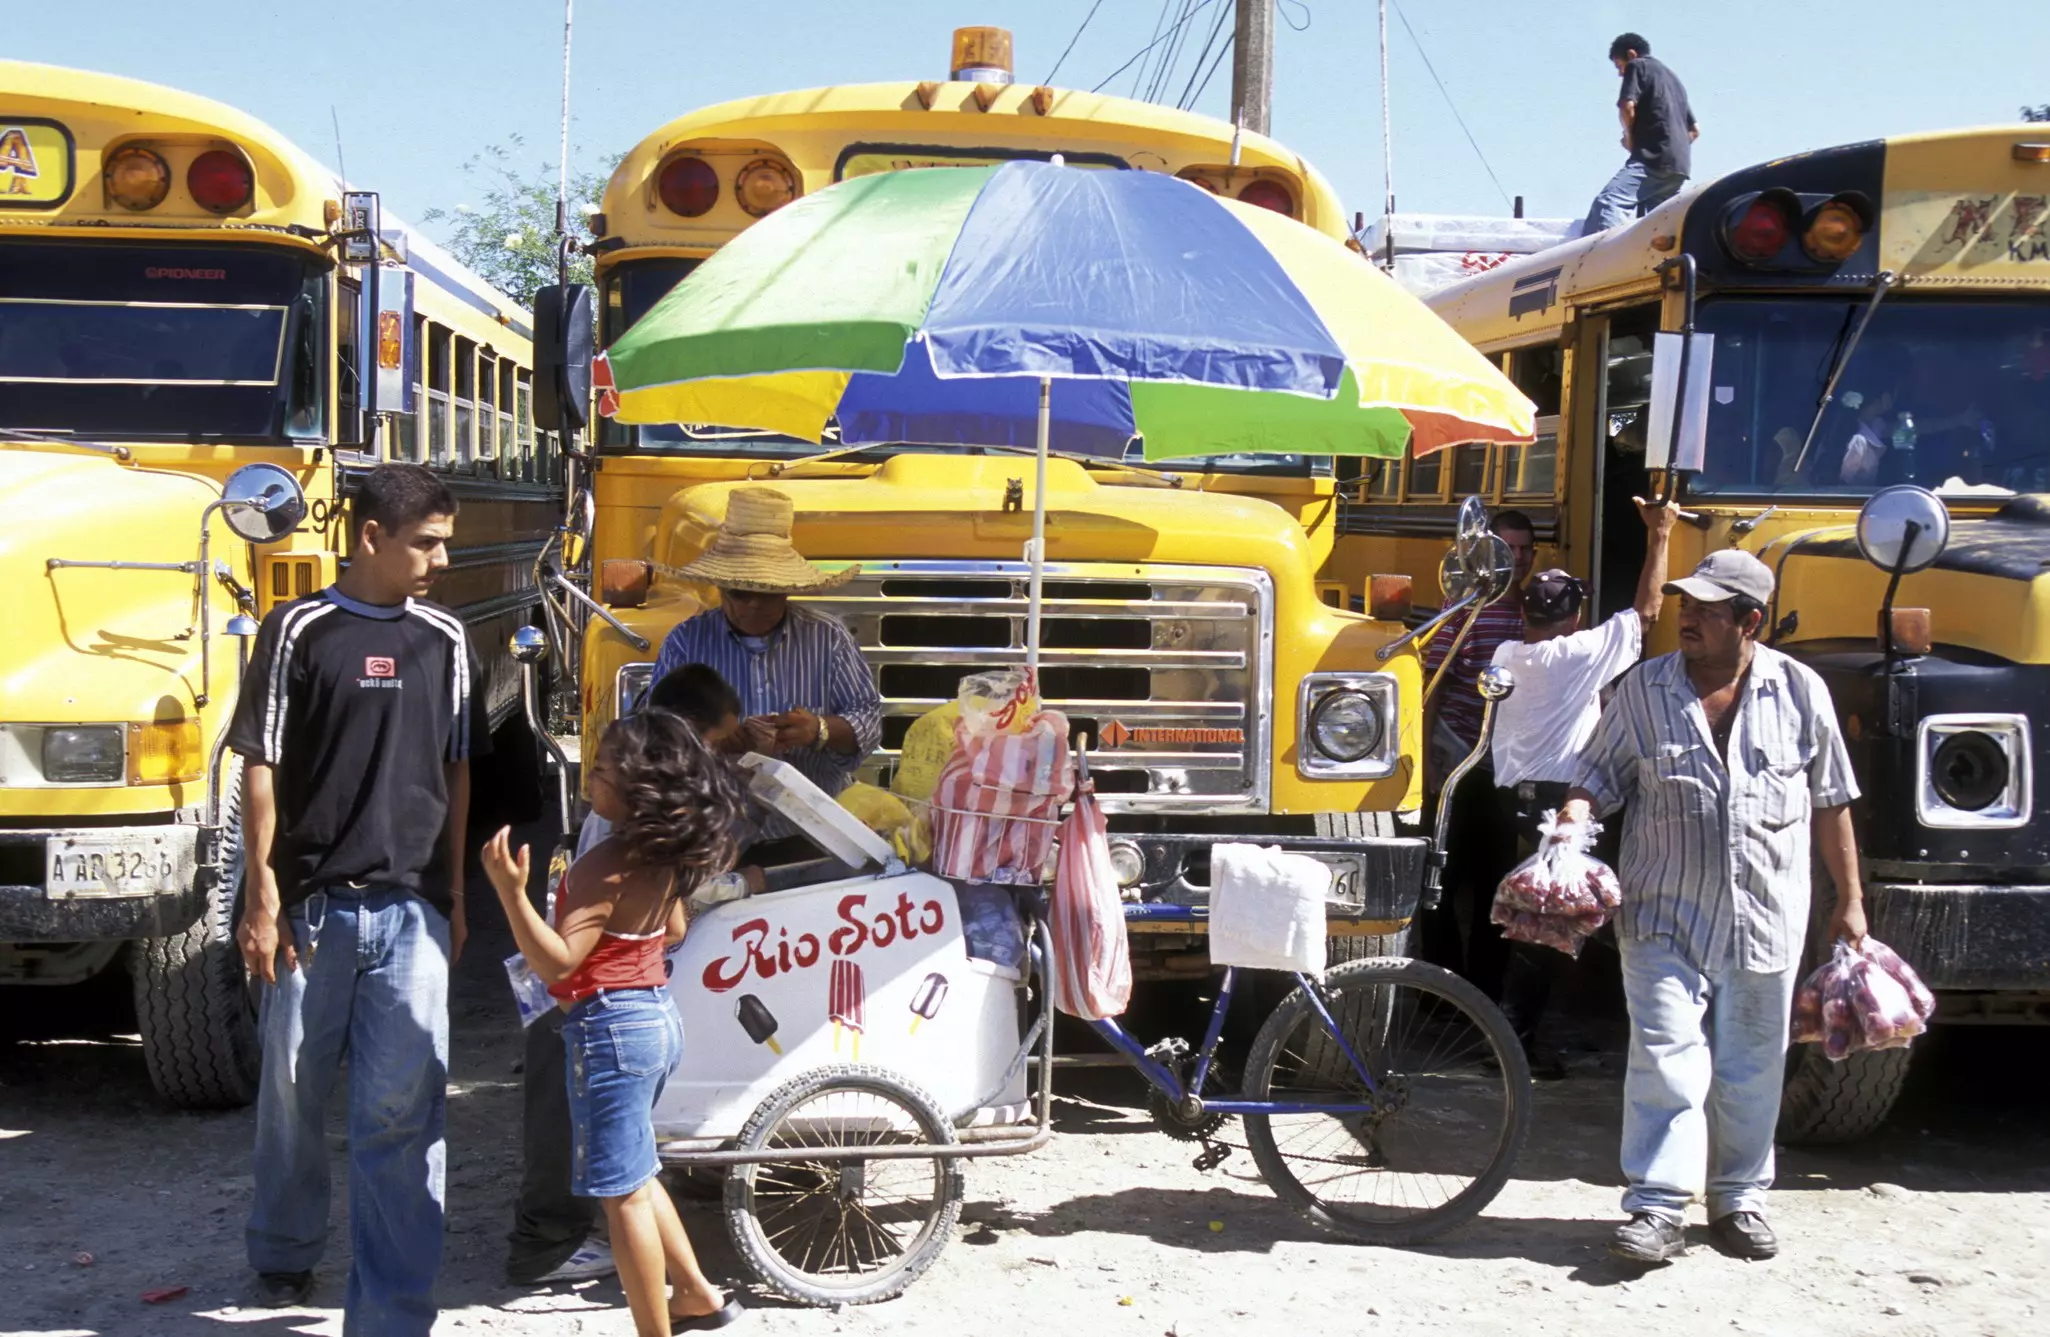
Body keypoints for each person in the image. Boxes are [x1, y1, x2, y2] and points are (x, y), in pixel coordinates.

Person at [230, 463, 489, 1329]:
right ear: (372, 536)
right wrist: (261, 891)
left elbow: (457, 769)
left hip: (412, 908)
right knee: (294, 1092)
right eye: (427, 541)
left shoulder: (448, 640)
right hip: (309, 907)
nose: (441, 559)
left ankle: (390, 1311)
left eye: (446, 541)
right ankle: (284, 1247)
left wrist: (452, 894)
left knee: (402, 1115)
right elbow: (259, 764)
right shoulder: (297, 629)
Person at [1562, 548, 1864, 1265]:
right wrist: (1573, 824)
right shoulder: (1643, 690)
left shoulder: (1799, 691)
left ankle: (1737, 1197)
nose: (1687, 617)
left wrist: (1849, 901)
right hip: (1664, 911)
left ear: (1750, 620)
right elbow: (1595, 774)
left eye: (1706, 608)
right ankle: (1659, 1206)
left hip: (1767, 914)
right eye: (1685, 604)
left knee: (1752, 1063)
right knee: (1667, 1057)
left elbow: (1832, 802)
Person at [485, 711, 748, 1335]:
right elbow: (674, 929)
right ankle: (696, 1294)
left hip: (608, 1030)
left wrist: (512, 893)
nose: (588, 779)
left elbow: (558, 961)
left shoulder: (605, 863)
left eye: (600, 771)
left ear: (637, 789)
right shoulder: (664, 857)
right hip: (655, 1020)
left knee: (620, 1195)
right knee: (639, 1171)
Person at [1483, 498, 1678, 1074]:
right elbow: (1647, 610)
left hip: (1515, 798)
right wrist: (1660, 536)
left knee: (1536, 921)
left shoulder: (1507, 653)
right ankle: (1516, 1045)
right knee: (1550, 925)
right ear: (1571, 618)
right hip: (1559, 806)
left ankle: (1524, 1035)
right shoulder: (1578, 654)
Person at [651, 486, 883, 860]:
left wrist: (820, 730)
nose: (755, 603)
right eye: (741, 593)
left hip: (813, 832)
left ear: (788, 591)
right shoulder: (686, 641)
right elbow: (655, 735)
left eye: (769, 593)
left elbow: (868, 720)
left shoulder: (828, 637)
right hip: (713, 833)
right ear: (721, 589)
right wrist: (714, 744)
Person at [1421, 508, 1536, 976]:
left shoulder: (1537, 611)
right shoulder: (1461, 617)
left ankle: (1485, 992)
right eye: (1509, 550)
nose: (1520, 560)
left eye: (1528, 550)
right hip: (1457, 762)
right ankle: (1441, 987)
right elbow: (1432, 694)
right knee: (1443, 880)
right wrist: (1428, 766)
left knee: (1496, 883)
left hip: (1506, 768)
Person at [1583, 33, 1699, 234]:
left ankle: (1611, 260)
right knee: (1658, 225)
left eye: (1619, 66)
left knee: (1609, 203)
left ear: (1631, 54)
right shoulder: (1673, 79)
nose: (1620, 73)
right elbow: (1695, 131)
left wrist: (1630, 138)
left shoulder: (1637, 66)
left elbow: (1627, 106)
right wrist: (1672, 145)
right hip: (1679, 165)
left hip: (1652, 157)